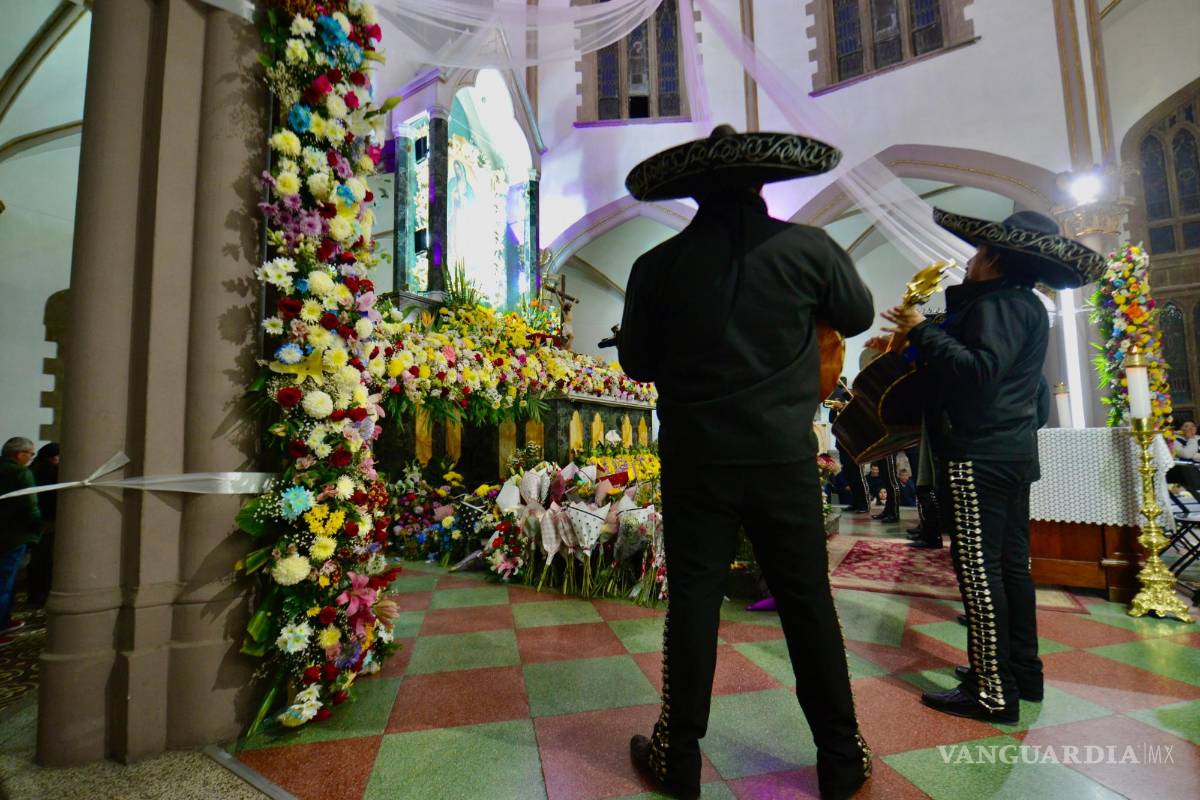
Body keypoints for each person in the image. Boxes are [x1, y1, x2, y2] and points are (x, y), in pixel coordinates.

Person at [619, 125, 874, 800]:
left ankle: (677, 758)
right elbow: (857, 310)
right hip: (782, 458)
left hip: (696, 460)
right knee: (807, 604)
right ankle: (842, 760)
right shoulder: (810, 248)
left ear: (694, 191)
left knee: (694, 605)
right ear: (763, 183)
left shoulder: (656, 265)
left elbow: (638, 361)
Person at [878, 208, 1105, 722]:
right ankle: (1021, 673)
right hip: (1008, 450)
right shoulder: (1022, 304)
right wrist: (917, 341)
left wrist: (921, 329)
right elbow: (982, 366)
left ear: (996, 260)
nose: (971, 262)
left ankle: (992, 690)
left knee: (980, 573)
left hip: (978, 452)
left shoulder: (999, 304)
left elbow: (976, 371)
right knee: (1009, 570)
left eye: (979, 254)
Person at [0, 436, 41, 648]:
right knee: (5, 582)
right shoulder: (20, 473)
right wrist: (36, 528)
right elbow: (29, 504)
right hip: (14, 533)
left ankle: (5, 621)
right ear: (19, 454)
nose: (31, 458)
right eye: (30, 454)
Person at [827, 384, 869, 513]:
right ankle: (855, 502)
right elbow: (831, 421)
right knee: (849, 476)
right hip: (842, 446)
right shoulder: (842, 409)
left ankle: (864, 504)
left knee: (857, 477)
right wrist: (834, 409)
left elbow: (857, 418)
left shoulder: (855, 410)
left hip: (853, 447)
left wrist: (844, 407)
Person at [27, 442, 59, 608]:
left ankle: (35, 594)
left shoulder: (33, 470)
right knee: (45, 560)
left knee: (39, 560)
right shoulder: (50, 472)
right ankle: (40, 595)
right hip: (47, 521)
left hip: (39, 521)